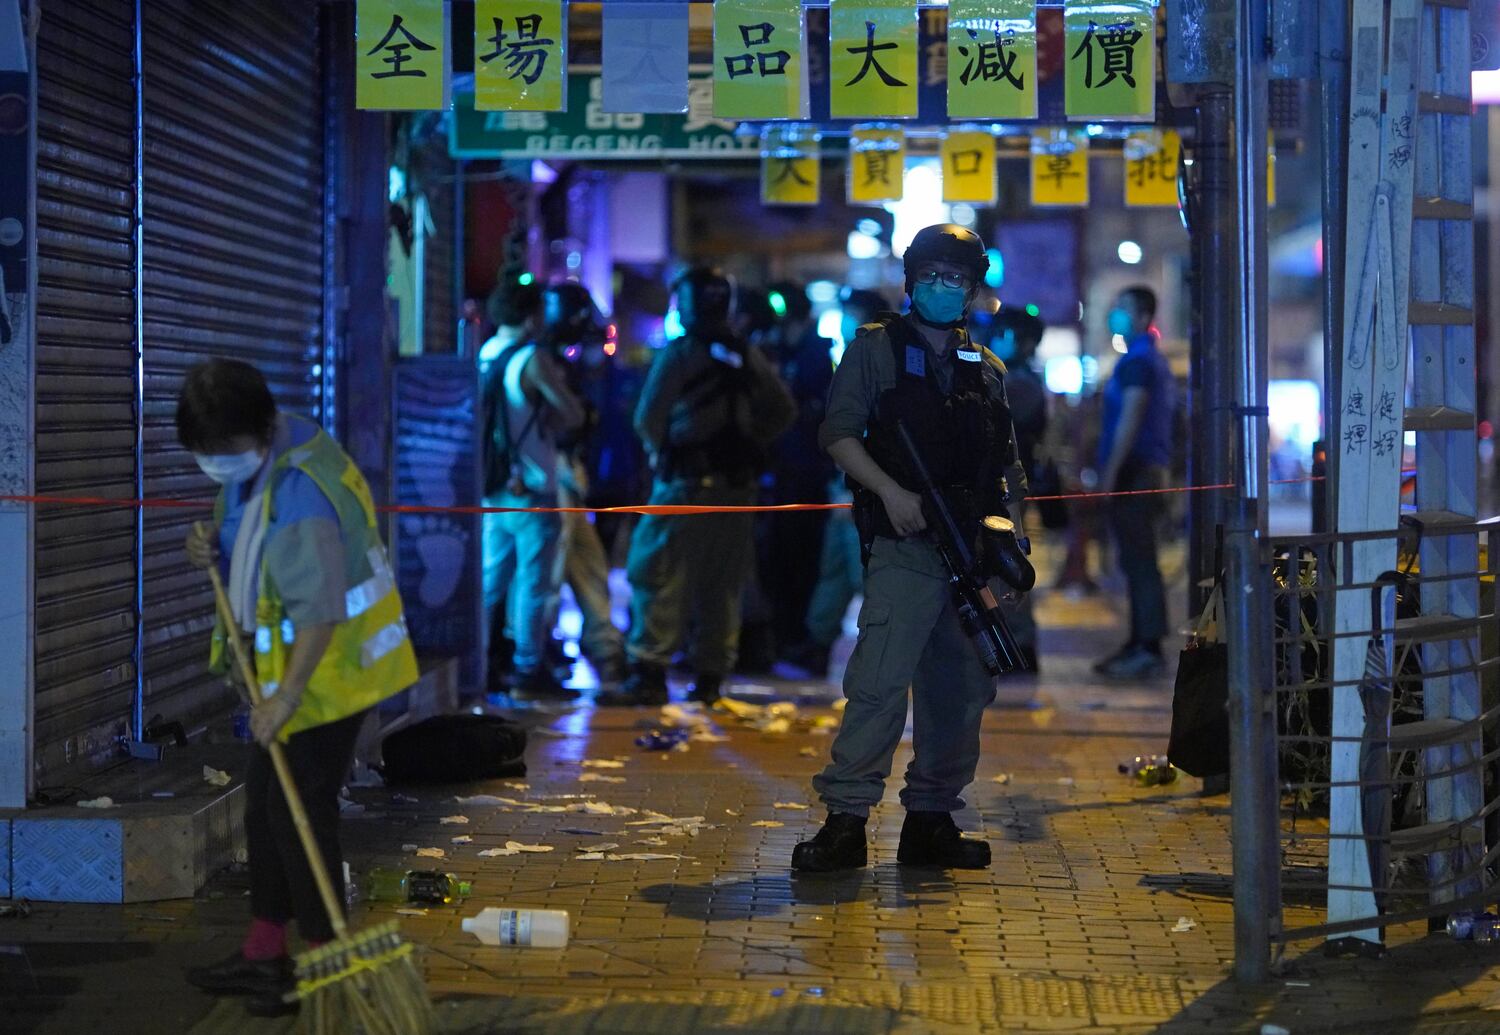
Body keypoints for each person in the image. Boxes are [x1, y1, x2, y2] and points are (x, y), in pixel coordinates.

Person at [179, 360, 418, 1016]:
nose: (214, 466)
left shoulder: (302, 491)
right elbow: (245, 547)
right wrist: (209, 548)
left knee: (298, 813)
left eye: (221, 454)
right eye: (205, 456)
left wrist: (285, 698)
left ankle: (319, 958)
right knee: (262, 806)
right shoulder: (265, 459)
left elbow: (320, 611)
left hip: (326, 675)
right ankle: (264, 949)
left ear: (259, 429)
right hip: (283, 674)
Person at [793, 225, 1028, 873]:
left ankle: (931, 818)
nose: (944, 288)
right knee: (878, 684)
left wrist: (1013, 546)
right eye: (933, 275)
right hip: (905, 542)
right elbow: (839, 434)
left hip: (972, 547)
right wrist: (890, 492)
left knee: (961, 689)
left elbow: (1008, 468)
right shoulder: (875, 350)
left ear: (974, 288)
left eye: (957, 279)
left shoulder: (988, 369)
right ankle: (845, 820)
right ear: (911, 279)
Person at [602, 268, 796, 706]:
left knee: (659, 571)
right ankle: (711, 678)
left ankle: (649, 671)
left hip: (685, 487)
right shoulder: (745, 352)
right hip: (736, 489)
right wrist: (749, 443)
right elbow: (783, 409)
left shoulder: (681, 353)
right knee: (722, 582)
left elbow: (647, 418)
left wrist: (661, 452)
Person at [479, 281, 587, 700]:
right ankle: (528, 669)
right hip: (532, 485)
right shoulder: (531, 357)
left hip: (493, 488)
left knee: (492, 580)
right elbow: (572, 412)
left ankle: (483, 662)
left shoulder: (485, 353)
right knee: (534, 582)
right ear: (529, 316)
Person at [788, 286, 892, 679]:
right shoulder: (851, 359)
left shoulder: (876, 363)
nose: (845, 322)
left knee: (861, 571)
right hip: (841, 485)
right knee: (835, 570)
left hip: (862, 487)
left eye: (851, 313)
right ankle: (817, 644)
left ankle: (881, 654)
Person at [541, 282, 628, 684]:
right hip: (548, 476)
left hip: (568, 474)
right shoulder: (540, 361)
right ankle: (537, 650)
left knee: (586, 564)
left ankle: (603, 646)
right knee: (549, 572)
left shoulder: (564, 362)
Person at [1093, 286, 1176, 680]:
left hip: (1135, 473)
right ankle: (1139, 641)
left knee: (1141, 563)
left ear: (1143, 315)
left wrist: (1109, 476)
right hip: (1143, 471)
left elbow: (1130, 418)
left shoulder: (1138, 362)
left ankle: (1147, 647)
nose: (1116, 314)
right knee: (1137, 561)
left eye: (1123, 308)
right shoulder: (1144, 358)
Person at [764, 281, 836, 664]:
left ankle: (796, 636)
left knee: (802, 560)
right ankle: (785, 634)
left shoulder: (813, 355)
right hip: (783, 471)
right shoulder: (783, 350)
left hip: (806, 473)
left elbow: (813, 413)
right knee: (780, 559)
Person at [989, 306, 1049, 673]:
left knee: (1009, 563)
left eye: (1005, 335)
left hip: (1009, 488)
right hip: (1004, 486)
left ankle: (1021, 644)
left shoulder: (1020, 384)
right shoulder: (1017, 378)